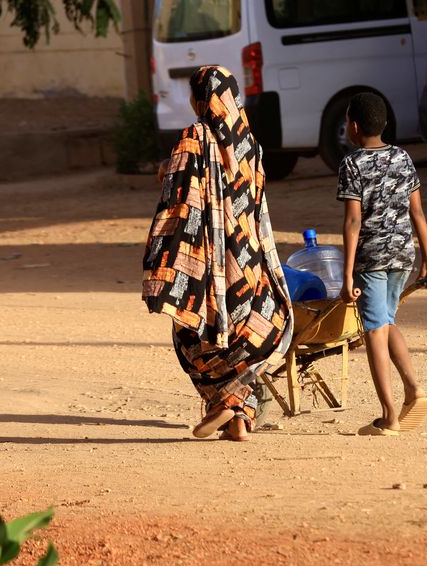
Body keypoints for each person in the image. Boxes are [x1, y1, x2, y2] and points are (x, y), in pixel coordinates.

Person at [142, 66, 293, 442]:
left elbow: (179, 189)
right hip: (251, 273)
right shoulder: (251, 145)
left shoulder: (195, 137)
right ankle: (238, 420)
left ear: (199, 99)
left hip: (210, 270)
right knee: (244, 341)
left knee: (191, 335)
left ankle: (220, 402)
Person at [337, 92, 427, 436]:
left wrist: (347, 273)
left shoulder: (352, 164)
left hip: (371, 257)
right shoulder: (402, 157)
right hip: (403, 254)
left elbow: (353, 222)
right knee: (388, 320)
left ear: (353, 127)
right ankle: (414, 388)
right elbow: (418, 212)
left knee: (374, 331)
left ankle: (389, 415)